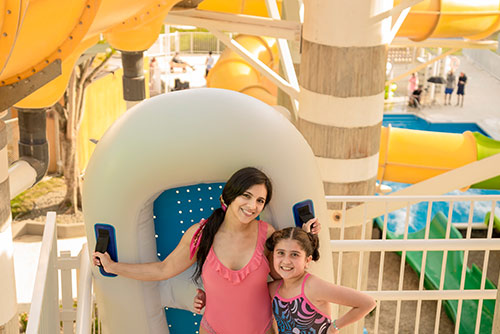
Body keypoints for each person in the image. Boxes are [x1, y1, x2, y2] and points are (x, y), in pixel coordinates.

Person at [93, 167, 320, 334]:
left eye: (260, 200)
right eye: (246, 196)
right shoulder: (201, 234)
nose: (252, 206)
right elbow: (163, 269)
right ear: (229, 196)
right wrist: (113, 267)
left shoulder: (267, 233)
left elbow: (285, 275)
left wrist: (305, 235)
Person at [266, 227, 376, 334]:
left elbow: (367, 303)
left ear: (307, 260)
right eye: (281, 253)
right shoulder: (273, 289)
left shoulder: (312, 286)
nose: (286, 261)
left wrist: (334, 327)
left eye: (294, 255)